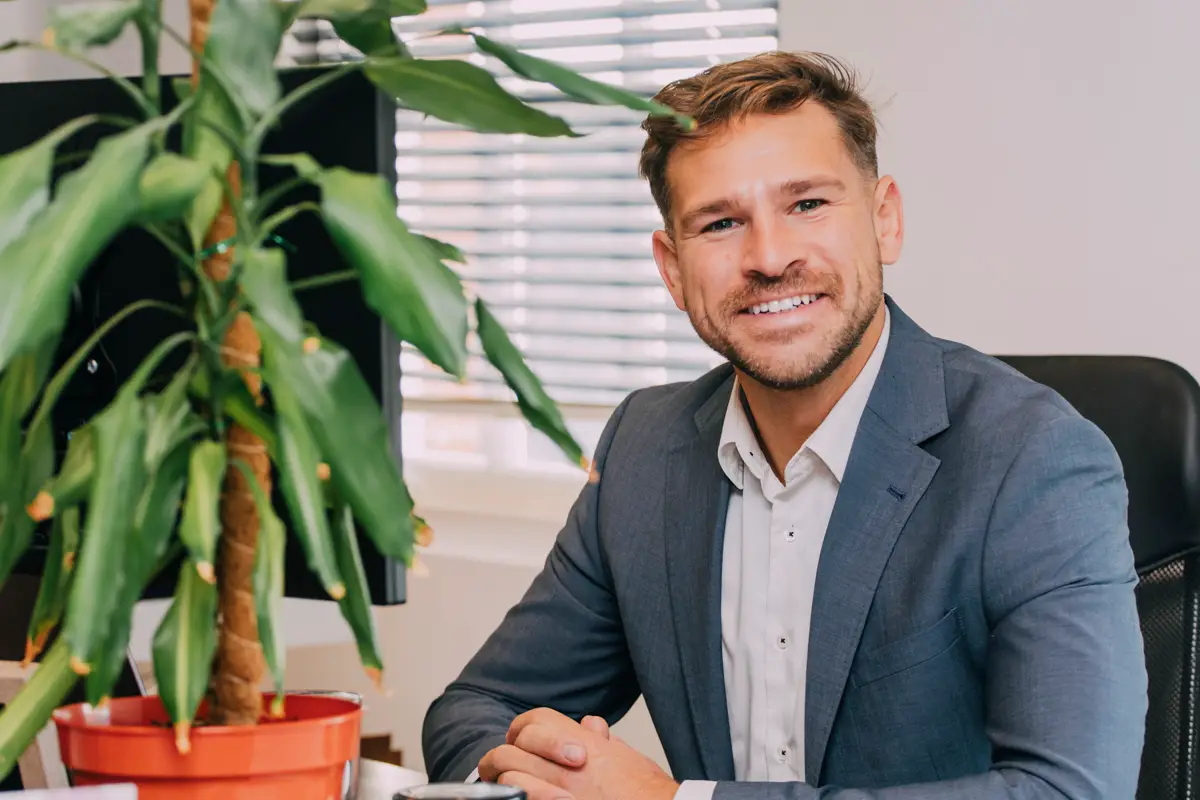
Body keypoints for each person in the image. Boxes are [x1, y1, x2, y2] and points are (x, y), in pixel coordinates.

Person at [421, 51, 1148, 799]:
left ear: (885, 220)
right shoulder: (645, 448)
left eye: (807, 205)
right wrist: (548, 780)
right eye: (720, 223)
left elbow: (1071, 792)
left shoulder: (1032, 459)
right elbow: (476, 711)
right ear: (672, 269)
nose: (769, 258)